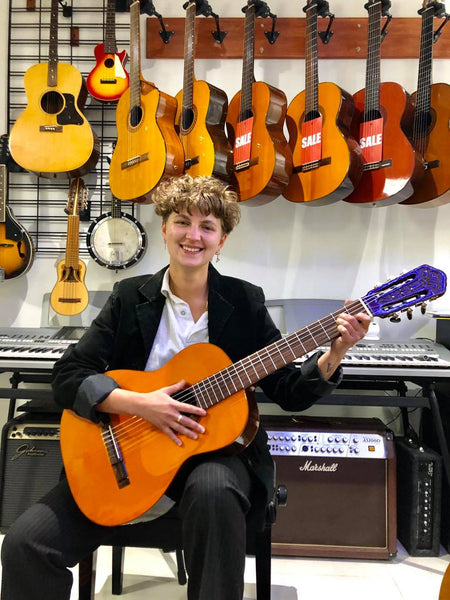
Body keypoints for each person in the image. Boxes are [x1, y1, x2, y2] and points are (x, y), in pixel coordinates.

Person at [1, 174, 371, 600]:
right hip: (125, 455)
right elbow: (69, 374)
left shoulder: (246, 301)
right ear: (163, 228)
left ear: (222, 240)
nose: (193, 235)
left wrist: (334, 355)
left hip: (214, 456)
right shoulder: (128, 296)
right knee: (26, 545)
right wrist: (138, 404)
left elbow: (287, 390)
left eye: (207, 226)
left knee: (214, 490)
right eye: (182, 221)